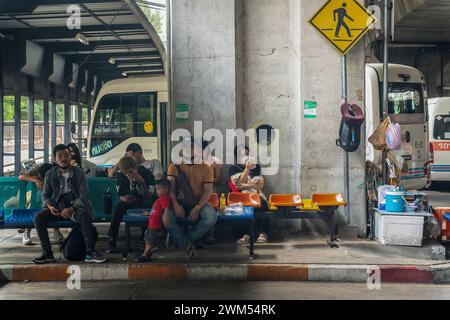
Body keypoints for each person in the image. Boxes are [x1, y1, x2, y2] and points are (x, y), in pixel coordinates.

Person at [33, 144, 107, 264]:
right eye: (60, 156)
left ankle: (90, 253)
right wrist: (50, 207)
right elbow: (45, 195)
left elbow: (83, 196)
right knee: (38, 217)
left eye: (66, 155)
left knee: (84, 215)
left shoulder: (79, 173)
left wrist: (72, 209)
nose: (64, 158)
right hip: (57, 206)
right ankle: (47, 253)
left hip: (76, 205)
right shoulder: (50, 174)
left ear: (70, 156)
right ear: (54, 159)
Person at [165, 137, 217, 259]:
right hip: (179, 202)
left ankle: (188, 238)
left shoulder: (206, 167)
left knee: (211, 218)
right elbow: (170, 189)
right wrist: (175, 204)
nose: (187, 149)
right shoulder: (174, 166)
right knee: (167, 220)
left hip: (199, 202)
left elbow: (208, 190)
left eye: (191, 146)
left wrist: (198, 207)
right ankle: (187, 244)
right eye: (185, 147)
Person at [107, 156, 156, 253]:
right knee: (118, 207)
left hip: (144, 202)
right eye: (125, 173)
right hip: (129, 202)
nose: (128, 175)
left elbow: (149, 197)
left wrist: (141, 182)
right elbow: (120, 194)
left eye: (130, 172)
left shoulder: (146, 174)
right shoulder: (121, 176)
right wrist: (124, 199)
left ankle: (145, 236)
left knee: (146, 205)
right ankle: (112, 238)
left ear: (136, 168)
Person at [229, 145, 269, 244]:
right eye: (243, 155)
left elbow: (260, 186)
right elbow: (237, 185)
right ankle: (247, 234)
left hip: (257, 195)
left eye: (247, 154)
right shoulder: (234, 168)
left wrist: (244, 185)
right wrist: (246, 170)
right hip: (241, 198)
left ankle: (262, 233)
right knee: (246, 208)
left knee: (262, 204)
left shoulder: (257, 167)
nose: (246, 157)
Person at [18, 162, 64, 246]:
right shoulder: (37, 169)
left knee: (51, 204)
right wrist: (35, 179)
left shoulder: (57, 171)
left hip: (48, 199)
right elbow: (21, 177)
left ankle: (56, 232)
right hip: (36, 198)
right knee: (32, 203)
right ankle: (27, 231)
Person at [136, 178, 171, 262]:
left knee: (150, 241)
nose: (157, 191)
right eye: (156, 189)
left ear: (166, 190)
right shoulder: (159, 199)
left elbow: (166, 209)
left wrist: (166, 220)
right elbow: (157, 210)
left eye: (159, 189)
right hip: (151, 223)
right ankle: (146, 254)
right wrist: (149, 213)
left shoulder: (164, 199)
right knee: (147, 239)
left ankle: (145, 254)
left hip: (155, 224)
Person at [201, 140, 223, 244]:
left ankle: (211, 234)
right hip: (195, 190)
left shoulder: (215, 161)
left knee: (211, 205)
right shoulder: (192, 162)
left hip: (210, 189)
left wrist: (206, 177)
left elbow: (218, 181)